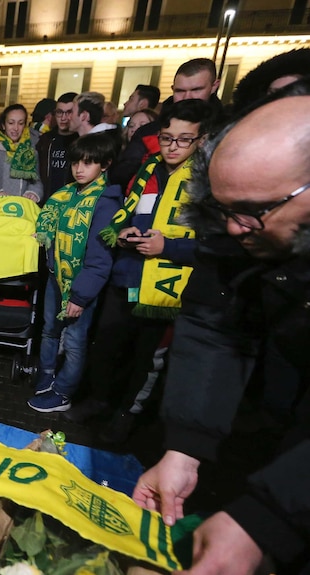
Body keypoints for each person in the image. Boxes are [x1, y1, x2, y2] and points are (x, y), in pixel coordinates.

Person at [132, 80, 310, 575]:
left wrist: (271, 517)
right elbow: (215, 323)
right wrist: (187, 445)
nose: (235, 228)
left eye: (254, 211)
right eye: (224, 209)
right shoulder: (236, 228)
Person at [67, 99, 212, 441]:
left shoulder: (207, 182)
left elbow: (213, 245)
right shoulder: (148, 169)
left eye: (183, 139)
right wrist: (120, 232)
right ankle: (100, 400)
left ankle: (127, 414)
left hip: (165, 288)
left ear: (201, 140)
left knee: (148, 359)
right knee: (106, 346)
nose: (172, 147)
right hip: (127, 275)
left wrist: (168, 247)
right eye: (166, 138)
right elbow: (127, 213)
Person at [26, 134, 122, 413]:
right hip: (57, 277)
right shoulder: (67, 193)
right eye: (76, 162)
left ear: (104, 165)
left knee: (77, 340)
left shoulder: (105, 203)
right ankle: (46, 374)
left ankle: (63, 392)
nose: (79, 169)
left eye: (88, 163)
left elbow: (100, 259)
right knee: (49, 330)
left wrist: (80, 297)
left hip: (80, 286)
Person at [112, 58, 221, 190]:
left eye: (196, 89)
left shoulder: (227, 130)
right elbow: (120, 175)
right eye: (180, 91)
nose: (187, 97)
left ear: (214, 86)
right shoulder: (148, 131)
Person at [0, 103, 42, 202]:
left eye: (20, 123)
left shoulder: (30, 150)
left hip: (21, 208)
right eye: (11, 123)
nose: (16, 128)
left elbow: (36, 181)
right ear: (3, 125)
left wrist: (32, 193)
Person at [36, 92, 78, 201]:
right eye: (59, 112)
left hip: (70, 202)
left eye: (69, 112)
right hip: (46, 201)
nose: (63, 118)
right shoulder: (45, 140)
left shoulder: (80, 142)